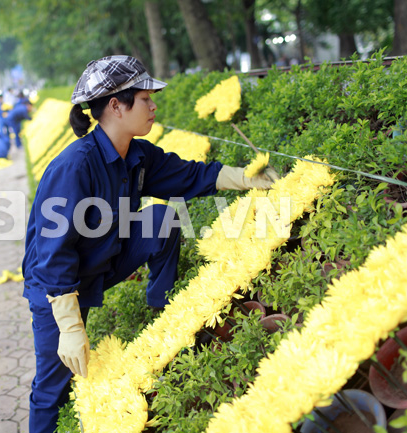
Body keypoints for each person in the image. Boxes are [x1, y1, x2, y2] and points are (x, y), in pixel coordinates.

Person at [20, 55, 278, 433]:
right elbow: (52, 254)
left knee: (162, 218)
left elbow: (187, 175)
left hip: (104, 259)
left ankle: (162, 308)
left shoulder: (138, 155)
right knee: (53, 385)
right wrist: (71, 328)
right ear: (115, 106)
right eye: (144, 99)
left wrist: (245, 177)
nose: (154, 106)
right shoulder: (75, 167)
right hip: (57, 288)